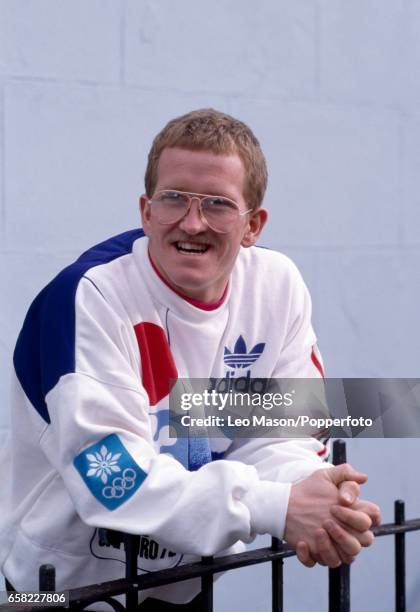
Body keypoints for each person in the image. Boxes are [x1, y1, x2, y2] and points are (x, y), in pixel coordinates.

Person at [0, 109, 380, 610]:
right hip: (49, 590)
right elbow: (114, 484)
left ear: (253, 225)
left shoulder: (277, 286)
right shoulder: (86, 298)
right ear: (146, 211)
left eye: (218, 204)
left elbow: (281, 432)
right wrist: (275, 506)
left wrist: (315, 499)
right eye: (174, 198)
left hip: (184, 586)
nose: (192, 221)